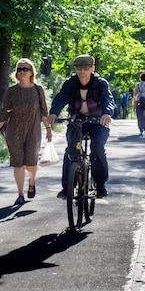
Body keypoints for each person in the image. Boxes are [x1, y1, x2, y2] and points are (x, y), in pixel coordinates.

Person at [47, 54, 114, 199]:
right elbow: (60, 98)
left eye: (85, 67)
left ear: (92, 68)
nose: (82, 71)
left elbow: (108, 99)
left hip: (98, 122)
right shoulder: (70, 83)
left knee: (97, 148)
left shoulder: (100, 83)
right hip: (76, 121)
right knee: (71, 150)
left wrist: (106, 113)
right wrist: (53, 113)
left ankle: (101, 185)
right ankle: (68, 187)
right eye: (79, 68)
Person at [0, 58, 52, 206]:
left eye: (25, 69)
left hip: (33, 132)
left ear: (31, 72)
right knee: (17, 163)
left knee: (31, 163)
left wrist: (48, 129)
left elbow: (44, 112)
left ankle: (31, 182)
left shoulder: (38, 90)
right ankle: (20, 194)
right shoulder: (12, 91)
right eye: (19, 69)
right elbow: (4, 113)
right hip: (14, 132)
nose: (22, 71)